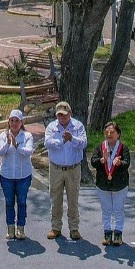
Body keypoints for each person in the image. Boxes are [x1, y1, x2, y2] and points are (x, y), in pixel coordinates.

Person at [45, 101, 87, 240]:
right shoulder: (51, 127)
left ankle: (74, 228)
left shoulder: (78, 126)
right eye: (59, 115)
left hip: (73, 169)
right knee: (55, 198)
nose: (62, 118)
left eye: (64, 115)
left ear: (70, 113)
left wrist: (72, 138)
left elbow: (83, 143)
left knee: (73, 199)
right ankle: (55, 227)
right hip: (56, 168)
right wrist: (62, 141)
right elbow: (48, 143)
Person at [91, 121, 131, 246]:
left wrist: (119, 163)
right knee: (106, 210)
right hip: (103, 184)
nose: (109, 134)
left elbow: (127, 163)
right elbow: (93, 162)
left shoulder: (123, 148)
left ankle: (118, 233)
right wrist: (102, 160)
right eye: (106, 132)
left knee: (118, 209)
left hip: (119, 184)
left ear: (118, 134)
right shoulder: (100, 147)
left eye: (112, 132)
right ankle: (107, 232)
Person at [0, 109, 34, 240]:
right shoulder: (3, 136)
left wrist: (16, 145)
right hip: (7, 175)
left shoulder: (27, 136)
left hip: (23, 175)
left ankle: (21, 228)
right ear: (9, 122)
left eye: (16, 121)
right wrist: (7, 143)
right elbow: (1, 152)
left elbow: (28, 152)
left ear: (21, 122)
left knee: (22, 201)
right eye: (12, 121)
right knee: (9, 202)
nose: (14, 123)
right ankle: (10, 227)